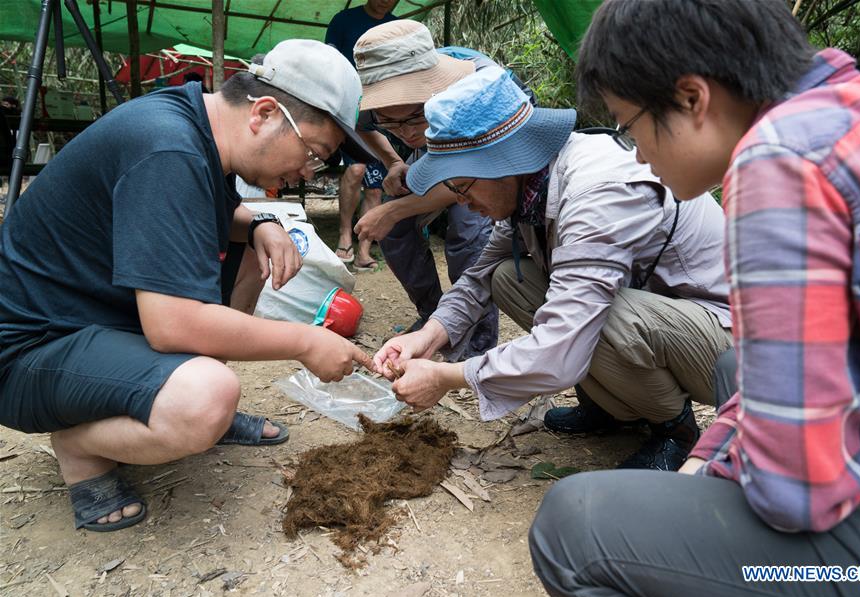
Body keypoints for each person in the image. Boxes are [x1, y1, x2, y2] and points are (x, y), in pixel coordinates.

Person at [529, 1, 860, 597]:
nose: (638, 155)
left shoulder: (780, 162)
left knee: (578, 526)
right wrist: (710, 459)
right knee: (733, 369)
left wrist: (703, 488)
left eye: (629, 126)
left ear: (692, 98)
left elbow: (799, 492)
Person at [0, 39, 376, 533]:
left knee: (249, 255)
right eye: (314, 153)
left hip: (91, 325)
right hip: (29, 353)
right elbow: (171, 324)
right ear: (263, 112)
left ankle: (193, 411)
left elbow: (213, 215)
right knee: (204, 397)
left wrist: (261, 224)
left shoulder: (193, 124)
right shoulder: (167, 147)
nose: (307, 171)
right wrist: (308, 340)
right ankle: (81, 447)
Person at [373, 66, 733, 471]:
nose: (460, 201)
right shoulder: (529, 191)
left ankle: (674, 430)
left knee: (602, 314)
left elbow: (562, 344)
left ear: (502, 162)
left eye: (463, 185)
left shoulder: (597, 193)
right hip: (667, 320)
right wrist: (427, 337)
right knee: (508, 277)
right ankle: (610, 407)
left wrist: (448, 377)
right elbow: (478, 277)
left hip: (727, 345)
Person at [351, 19, 534, 354]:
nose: (403, 132)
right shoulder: (377, 108)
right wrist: (394, 161)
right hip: (434, 154)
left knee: (469, 235)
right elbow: (363, 125)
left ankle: (475, 345)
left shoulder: (481, 85)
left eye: (413, 117)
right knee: (393, 230)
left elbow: (473, 182)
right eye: (389, 120)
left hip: (485, 163)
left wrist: (393, 208)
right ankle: (435, 317)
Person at [325, 0, 399, 271]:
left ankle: (364, 249)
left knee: (377, 184)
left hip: (384, 110)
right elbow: (330, 63)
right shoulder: (343, 20)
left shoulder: (395, 26)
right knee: (356, 169)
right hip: (347, 111)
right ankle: (345, 235)